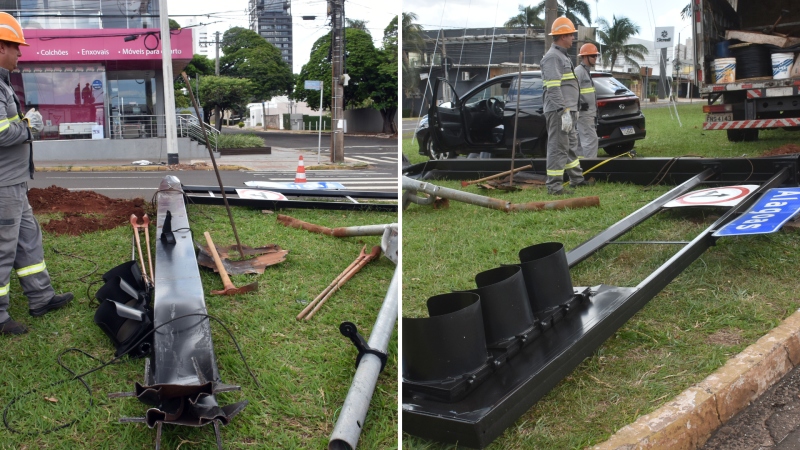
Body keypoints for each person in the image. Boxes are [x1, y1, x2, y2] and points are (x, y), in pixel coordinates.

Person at [0, 12, 72, 335]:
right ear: (1, 47)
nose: (20, 53)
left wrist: (25, 126)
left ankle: (40, 297)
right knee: (3, 248)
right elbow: (1, 133)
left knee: (28, 240)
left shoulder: (3, 85)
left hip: (14, 183)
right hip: (3, 186)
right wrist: (28, 126)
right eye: (16, 47)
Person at [540, 17, 593, 195]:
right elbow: (553, 88)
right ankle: (554, 187)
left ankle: (576, 179)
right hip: (559, 112)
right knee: (558, 147)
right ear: (563, 36)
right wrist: (563, 111)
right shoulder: (553, 57)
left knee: (570, 145)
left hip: (567, 112)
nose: (573, 38)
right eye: (571, 35)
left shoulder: (561, 56)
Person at [575, 43, 600, 159]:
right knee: (591, 142)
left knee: (581, 143)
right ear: (585, 57)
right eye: (593, 56)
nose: (595, 58)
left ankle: (581, 169)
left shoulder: (586, 71)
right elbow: (572, 90)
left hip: (588, 114)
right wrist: (579, 104)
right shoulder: (579, 71)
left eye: (596, 56)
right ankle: (590, 172)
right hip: (584, 115)